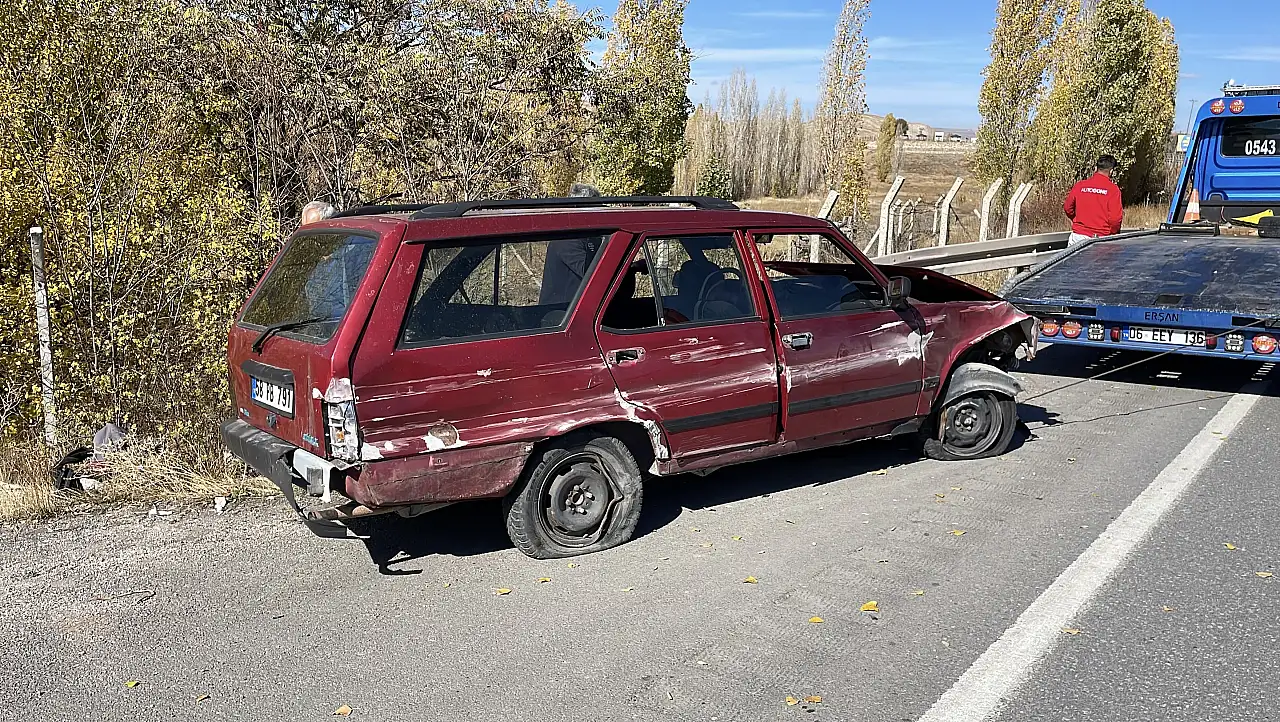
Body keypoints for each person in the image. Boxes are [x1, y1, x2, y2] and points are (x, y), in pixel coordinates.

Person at [1064, 155, 1123, 245]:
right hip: (1100, 240)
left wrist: (1079, 222)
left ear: (1096, 168)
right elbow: (1115, 220)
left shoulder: (1080, 185)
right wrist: (1112, 234)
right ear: (1111, 171)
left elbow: (1068, 208)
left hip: (1077, 237)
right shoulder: (1113, 190)